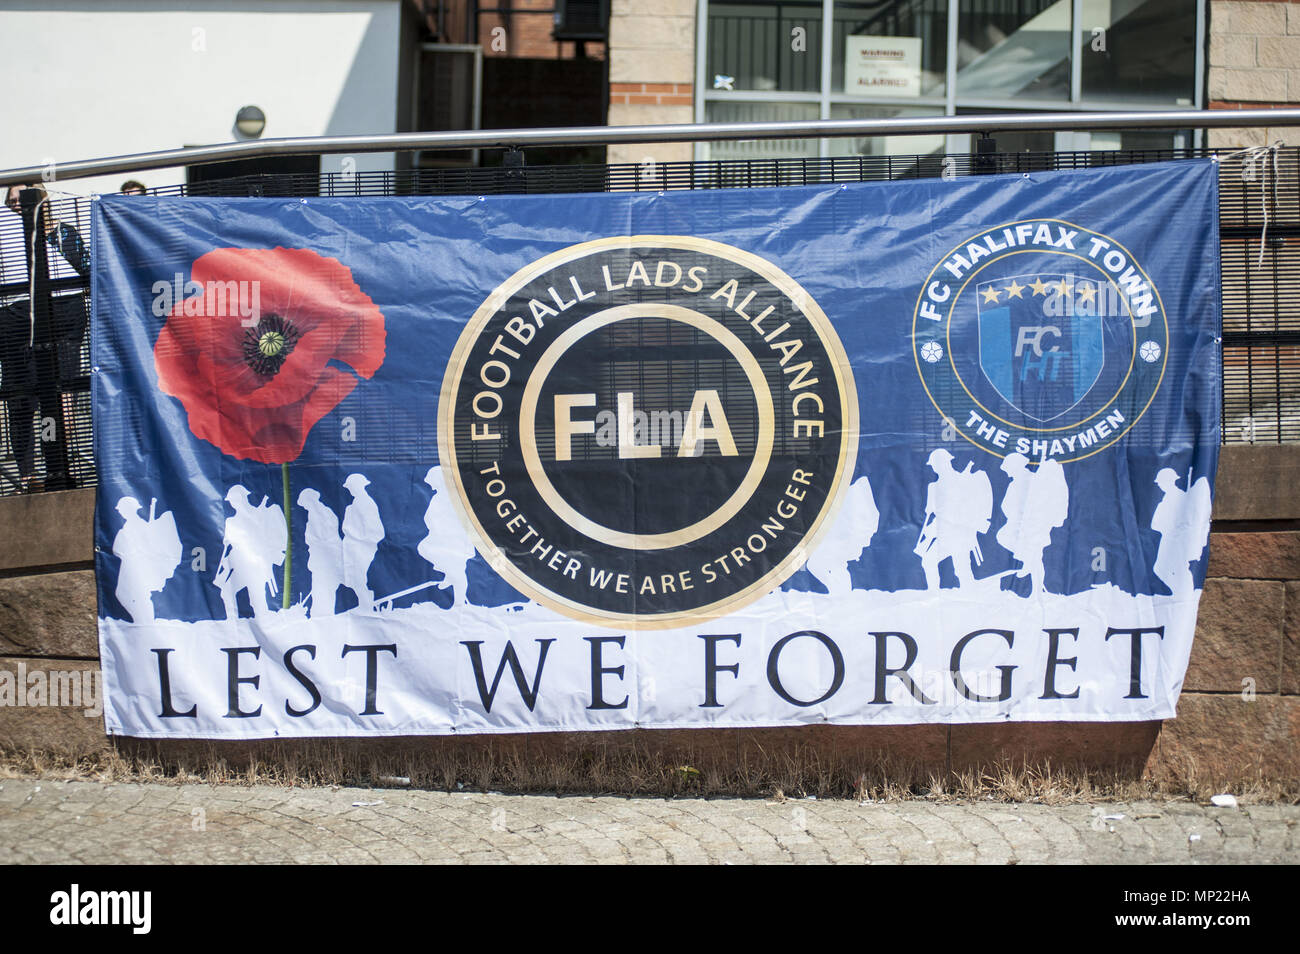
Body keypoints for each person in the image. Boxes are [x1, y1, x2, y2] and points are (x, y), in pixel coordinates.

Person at [1, 183, 89, 492]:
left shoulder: (63, 235)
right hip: (16, 317)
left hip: (64, 315)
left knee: (61, 393)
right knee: (20, 397)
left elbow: (87, 270)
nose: (18, 206)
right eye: (12, 201)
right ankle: (28, 476)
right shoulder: (6, 236)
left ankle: (59, 467)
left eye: (24, 200)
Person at [915, 448, 992, 590]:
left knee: (961, 568)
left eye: (937, 465)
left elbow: (973, 505)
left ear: (946, 463)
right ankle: (933, 593)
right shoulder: (933, 486)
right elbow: (930, 510)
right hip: (943, 533)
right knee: (928, 560)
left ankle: (970, 595)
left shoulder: (964, 480)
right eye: (934, 465)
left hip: (960, 533)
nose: (935, 468)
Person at [995, 453, 1069, 595]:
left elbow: (1041, 505)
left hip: (1033, 527)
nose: (1007, 472)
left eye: (1008, 468)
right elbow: (1008, 506)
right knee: (1029, 553)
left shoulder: (1034, 481)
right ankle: (1034, 579)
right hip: (1021, 527)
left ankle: (1036, 585)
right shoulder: (1018, 482)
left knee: (1034, 555)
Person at [1151, 468, 1212, 596]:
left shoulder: (1176, 497)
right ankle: (1182, 593)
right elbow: (1156, 523)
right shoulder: (1169, 497)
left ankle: (1185, 593)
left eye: (1161, 482)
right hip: (1169, 538)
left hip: (1175, 540)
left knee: (1174, 567)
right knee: (1163, 568)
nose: (1160, 485)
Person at [341, 474, 384, 611]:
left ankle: (366, 604)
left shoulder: (365, 503)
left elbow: (375, 530)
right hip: (354, 547)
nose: (350, 490)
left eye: (352, 487)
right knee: (354, 578)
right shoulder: (355, 504)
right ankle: (364, 603)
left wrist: (360, 540)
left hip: (362, 547)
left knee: (358, 577)